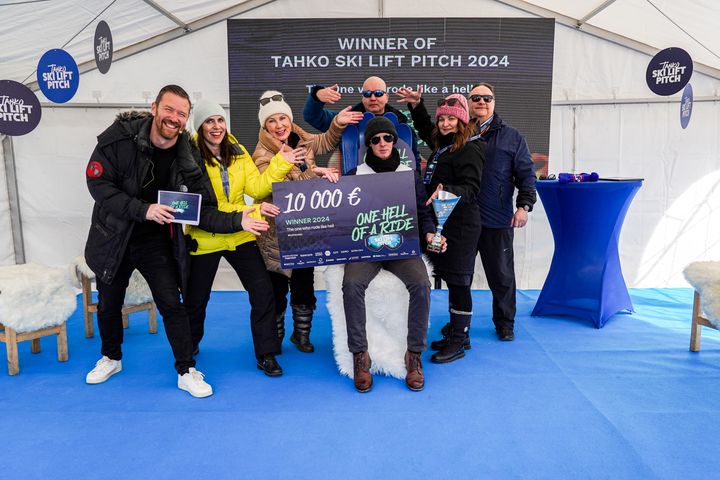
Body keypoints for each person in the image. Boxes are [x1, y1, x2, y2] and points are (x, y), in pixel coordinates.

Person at [84, 85, 268, 397]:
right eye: (169, 110)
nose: (174, 118)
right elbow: (97, 183)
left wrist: (238, 220)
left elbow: (202, 209)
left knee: (172, 303)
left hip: (155, 240)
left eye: (181, 114)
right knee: (110, 302)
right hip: (114, 235)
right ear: (154, 107)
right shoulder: (118, 137)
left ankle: (187, 369)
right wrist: (143, 210)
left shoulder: (187, 153)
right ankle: (111, 357)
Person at [398, 83, 536, 343]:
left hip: (496, 218)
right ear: (469, 104)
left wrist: (524, 205)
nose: (482, 101)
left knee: (501, 274)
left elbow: (526, 174)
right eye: (476, 98)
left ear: (494, 102)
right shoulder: (459, 131)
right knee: (457, 275)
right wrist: (416, 107)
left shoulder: (511, 137)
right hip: (459, 219)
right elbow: (432, 132)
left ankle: (505, 324)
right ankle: (458, 327)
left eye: (487, 98)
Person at [184, 100, 302, 377]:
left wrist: (279, 164)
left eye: (220, 121)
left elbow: (257, 187)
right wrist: (248, 211)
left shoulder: (237, 151)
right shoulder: (189, 157)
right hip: (206, 238)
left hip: (240, 234)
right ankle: (188, 346)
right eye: (209, 121)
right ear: (200, 127)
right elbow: (201, 207)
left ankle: (267, 354)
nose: (216, 127)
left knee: (263, 293)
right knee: (196, 299)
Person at [252, 90, 362, 353]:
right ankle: (275, 337)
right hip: (275, 237)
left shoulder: (301, 138)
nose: (279, 125)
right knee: (276, 291)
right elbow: (274, 187)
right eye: (272, 121)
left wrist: (337, 124)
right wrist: (315, 172)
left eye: (283, 119)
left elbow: (324, 142)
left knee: (303, 287)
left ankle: (301, 335)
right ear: (264, 125)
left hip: (304, 231)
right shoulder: (261, 155)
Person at [341, 116, 440, 392]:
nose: (382, 143)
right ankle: (360, 354)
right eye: (375, 139)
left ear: (394, 141)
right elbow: (340, 214)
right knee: (351, 284)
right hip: (365, 249)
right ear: (368, 144)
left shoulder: (409, 175)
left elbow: (423, 212)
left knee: (421, 284)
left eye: (387, 138)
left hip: (401, 247)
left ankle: (414, 354)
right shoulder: (354, 175)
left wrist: (429, 232)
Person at [416, 94, 484, 364]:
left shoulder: (471, 148)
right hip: (442, 222)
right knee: (451, 279)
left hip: (462, 226)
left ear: (462, 121)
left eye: (451, 119)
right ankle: (457, 332)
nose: (445, 123)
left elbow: (472, 188)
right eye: (442, 118)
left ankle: (459, 340)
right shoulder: (444, 146)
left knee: (459, 282)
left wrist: (448, 190)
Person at [303, 76, 422, 171]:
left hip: (395, 187)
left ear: (387, 97)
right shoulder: (347, 120)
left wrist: (414, 186)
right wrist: (316, 96)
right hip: (356, 188)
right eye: (367, 94)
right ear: (362, 97)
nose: (373, 98)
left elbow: (413, 158)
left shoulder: (401, 123)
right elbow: (311, 116)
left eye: (379, 93)